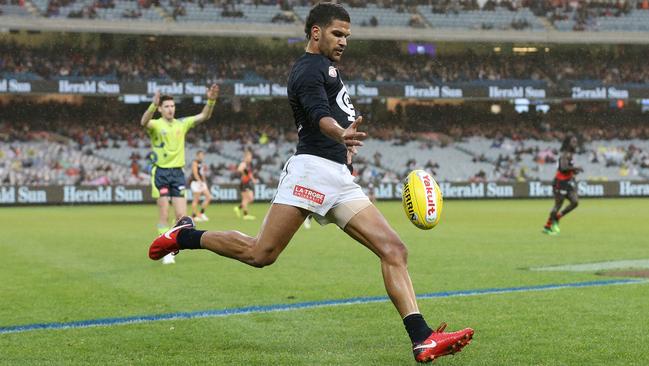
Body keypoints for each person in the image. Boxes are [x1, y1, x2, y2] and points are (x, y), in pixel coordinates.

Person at [148, 3, 473, 362]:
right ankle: (184, 235)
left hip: (337, 175)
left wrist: (343, 150)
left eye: (347, 35)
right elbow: (320, 117)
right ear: (316, 32)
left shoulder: (328, 69)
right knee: (261, 254)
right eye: (338, 33)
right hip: (312, 171)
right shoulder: (308, 69)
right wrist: (341, 134)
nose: (344, 41)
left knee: (394, 250)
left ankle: (422, 338)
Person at [141, 84, 219, 264]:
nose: (170, 109)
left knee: (181, 217)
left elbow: (204, 115)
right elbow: (143, 122)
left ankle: (171, 246)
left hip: (177, 173)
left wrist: (211, 100)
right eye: (166, 106)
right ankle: (165, 252)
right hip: (160, 172)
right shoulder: (156, 124)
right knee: (163, 213)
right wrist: (152, 105)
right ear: (160, 109)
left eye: (172, 106)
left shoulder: (181, 124)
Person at [543, 134, 583, 235]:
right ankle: (547, 227)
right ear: (568, 143)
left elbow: (567, 169)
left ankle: (557, 217)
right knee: (558, 205)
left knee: (575, 202)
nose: (575, 143)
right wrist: (575, 168)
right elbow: (563, 168)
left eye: (576, 141)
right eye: (573, 141)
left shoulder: (570, 154)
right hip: (560, 182)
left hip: (568, 182)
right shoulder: (565, 154)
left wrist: (574, 171)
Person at [189, 150, 212, 222]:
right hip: (196, 182)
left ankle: (201, 213)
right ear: (197, 155)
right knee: (196, 199)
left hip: (201, 182)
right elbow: (195, 173)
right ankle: (194, 216)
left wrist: (204, 181)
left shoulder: (202, 163)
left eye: (203, 155)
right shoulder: (195, 162)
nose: (202, 156)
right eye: (200, 155)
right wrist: (199, 181)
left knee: (209, 197)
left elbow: (202, 173)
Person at [233, 149, 257, 220]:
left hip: (247, 183)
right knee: (248, 199)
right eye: (250, 157)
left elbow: (250, 174)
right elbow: (239, 169)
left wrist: (253, 179)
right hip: (244, 183)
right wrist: (245, 172)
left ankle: (238, 208)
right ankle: (245, 215)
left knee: (248, 199)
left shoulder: (248, 165)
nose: (251, 159)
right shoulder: (243, 163)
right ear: (246, 157)